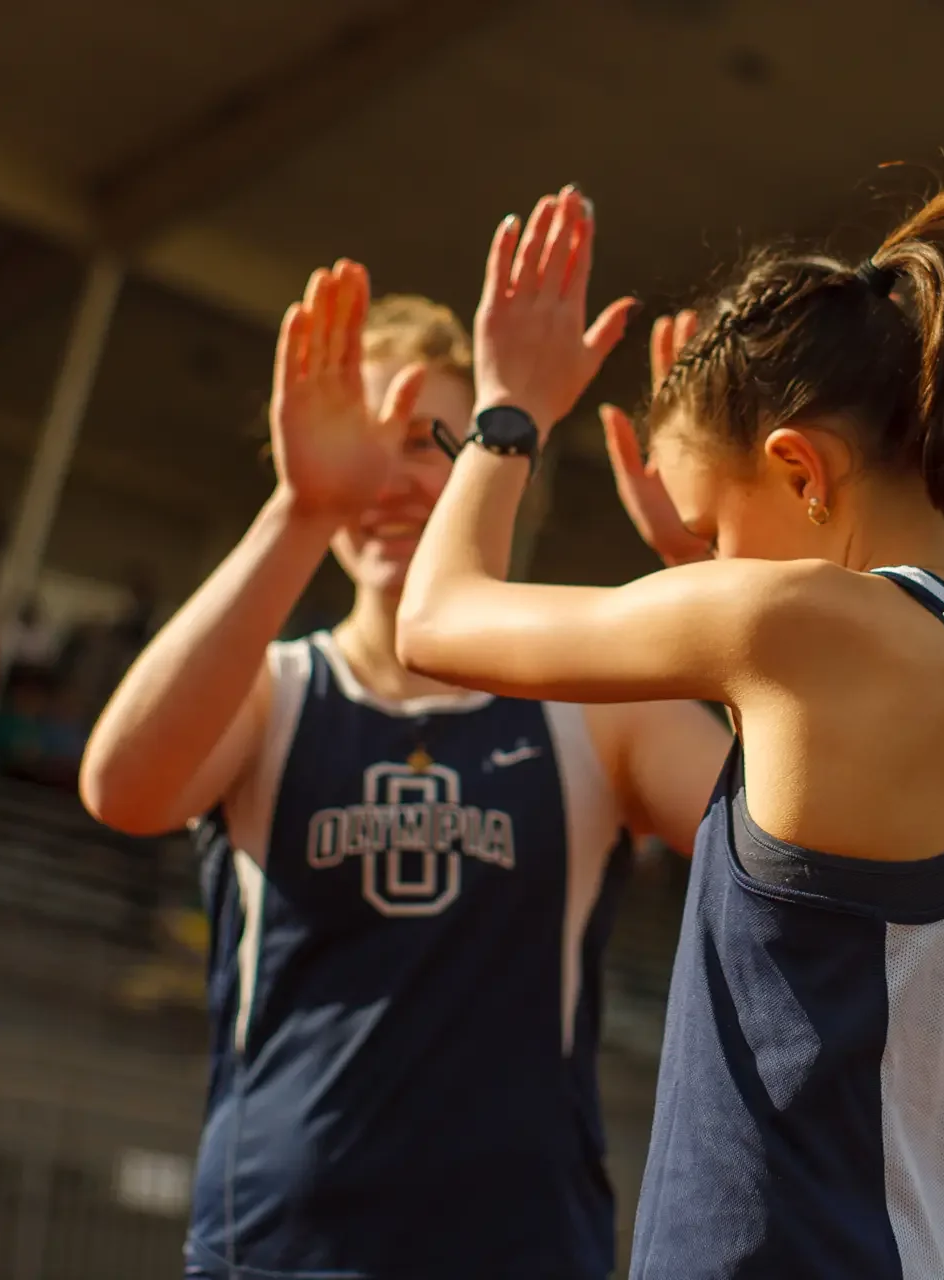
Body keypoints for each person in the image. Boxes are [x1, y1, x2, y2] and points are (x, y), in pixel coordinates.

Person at [397, 182, 944, 1277]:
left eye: (711, 526)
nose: (712, 560)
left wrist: (508, 412)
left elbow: (436, 616)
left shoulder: (789, 626)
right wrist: (709, 568)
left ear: (801, 469)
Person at [80, 266, 728, 1279]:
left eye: (435, 441)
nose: (394, 476)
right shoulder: (272, 693)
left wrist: (717, 582)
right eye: (362, 438)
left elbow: (800, 833)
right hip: (276, 1251)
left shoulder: (597, 705)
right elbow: (122, 787)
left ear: (506, 468)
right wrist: (302, 508)